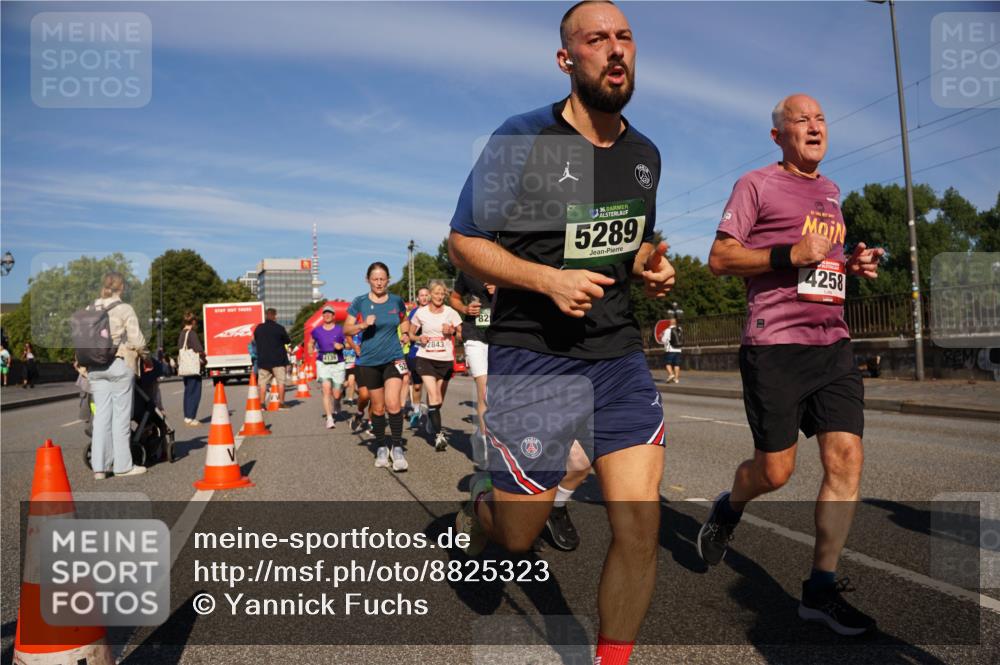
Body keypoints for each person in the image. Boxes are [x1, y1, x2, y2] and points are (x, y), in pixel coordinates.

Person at [447, 3, 675, 661]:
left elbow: (626, 245)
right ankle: (483, 516)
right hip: (533, 355)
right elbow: (464, 242)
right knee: (520, 534)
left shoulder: (644, 154)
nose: (615, 49)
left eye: (624, 37)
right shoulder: (521, 137)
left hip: (617, 356)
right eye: (596, 38)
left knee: (639, 523)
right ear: (566, 58)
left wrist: (648, 267)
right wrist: (546, 280)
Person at [697, 93, 885, 637]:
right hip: (774, 345)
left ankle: (820, 590)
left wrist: (853, 263)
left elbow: (821, 262)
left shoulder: (830, 192)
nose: (814, 125)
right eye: (800, 119)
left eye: (821, 117)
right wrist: (785, 255)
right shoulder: (755, 185)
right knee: (775, 472)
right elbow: (720, 258)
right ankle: (730, 506)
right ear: (778, 135)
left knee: (846, 457)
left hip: (832, 343)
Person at [344, 262, 412, 471]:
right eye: (375, 279)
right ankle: (381, 446)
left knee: (394, 405)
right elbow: (346, 328)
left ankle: (397, 447)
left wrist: (407, 333)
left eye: (383, 278)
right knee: (378, 408)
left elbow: (403, 321)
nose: (379, 282)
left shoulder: (396, 301)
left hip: (393, 358)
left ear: (388, 280)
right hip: (369, 361)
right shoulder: (360, 302)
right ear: (368, 280)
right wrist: (362, 325)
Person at [88, 271, 147, 479]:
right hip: (117, 364)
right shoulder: (124, 308)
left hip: (94, 368)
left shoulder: (91, 308)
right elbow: (138, 341)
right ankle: (123, 466)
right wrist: (142, 353)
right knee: (120, 418)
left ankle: (99, 468)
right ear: (121, 288)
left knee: (101, 418)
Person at [410, 280, 463, 452]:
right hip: (425, 358)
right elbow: (410, 334)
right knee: (433, 395)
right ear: (431, 294)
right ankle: (439, 436)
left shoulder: (451, 313)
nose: (440, 296)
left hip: (445, 360)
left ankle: (431, 416)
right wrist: (419, 339)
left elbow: (462, 335)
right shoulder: (421, 312)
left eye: (442, 294)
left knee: (438, 400)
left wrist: (453, 331)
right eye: (436, 293)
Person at [450, 273, 493, 467]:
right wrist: (465, 308)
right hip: (475, 336)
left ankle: (483, 433)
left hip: (502, 336)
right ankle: (486, 443)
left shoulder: (507, 263)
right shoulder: (468, 271)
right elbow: (454, 298)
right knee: (484, 391)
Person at [309, 305, 347, 429]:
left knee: (336, 393)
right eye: (325, 313)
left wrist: (342, 346)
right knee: (326, 389)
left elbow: (348, 343)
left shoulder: (340, 329)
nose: (327, 315)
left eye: (329, 313)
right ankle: (329, 418)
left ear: (334, 316)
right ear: (322, 316)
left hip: (338, 363)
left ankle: (337, 402)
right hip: (323, 362)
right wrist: (310, 349)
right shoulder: (317, 330)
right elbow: (311, 342)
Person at [254, 308, 292, 409]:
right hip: (278, 360)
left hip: (263, 360)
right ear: (275, 316)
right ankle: (282, 403)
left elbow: (255, 339)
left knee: (262, 383)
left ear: (266, 315)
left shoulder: (259, 328)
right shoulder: (279, 328)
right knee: (281, 382)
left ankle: (262, 403)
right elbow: (287, 341)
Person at [406, 287, 431, 428]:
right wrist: (407, 337)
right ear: (417, 298)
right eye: (421, 295)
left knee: (430, 385)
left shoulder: (435, 312)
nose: (424, 298)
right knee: (416, 386)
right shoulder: (413, 313)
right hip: (415, 352)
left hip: (432, 353)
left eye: (427, 295)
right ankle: (416, 411)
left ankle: (430, 413)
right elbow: (408, 332)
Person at [178, 312, 205, 425]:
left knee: (188, 391)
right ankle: (191, 416)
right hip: (193, 367)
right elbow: (198, 349)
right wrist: (204, 357)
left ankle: (187, 416)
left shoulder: (182, 334)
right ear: (193, 321)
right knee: (195, 392)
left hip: (185, 366)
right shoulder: (192, 334)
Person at [660, 317, 682, 383]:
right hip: (678, 349)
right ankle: (676, 379)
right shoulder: (680, 330)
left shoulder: (668, 330)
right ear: (675, 323)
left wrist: (662, 335)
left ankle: (671, 374)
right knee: (676, 364)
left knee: (667, 363)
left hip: (670, 349)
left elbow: (663, 340)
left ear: (670, 323)